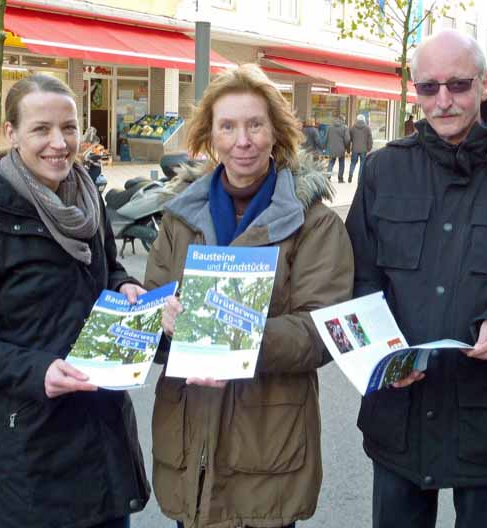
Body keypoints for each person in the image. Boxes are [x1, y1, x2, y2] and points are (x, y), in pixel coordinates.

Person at [345, 30, 487, 528]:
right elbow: (361, 278)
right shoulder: (384, 169)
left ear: (484, 83)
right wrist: (378, 354)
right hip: (400, 411)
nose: (443, 100)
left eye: (458, 84)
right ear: (414, 89)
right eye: (428, 88)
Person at [0, 74, 149, 528]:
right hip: (29, 453)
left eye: (69, 128)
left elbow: (106, 268)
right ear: (11, 133)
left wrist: (125, 284)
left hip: (101, 437)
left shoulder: (89, 203)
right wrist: (36, 371)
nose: (59, 143)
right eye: (41, 129)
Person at [143, 63, 354, 528]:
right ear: (210, 135)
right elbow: (152, 307)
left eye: (255, 124)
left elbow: (323, 330)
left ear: (276, 132)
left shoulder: (313, 224)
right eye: (228, 126)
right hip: (189, 443)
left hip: (267, 446)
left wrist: (229, 332)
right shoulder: (179, 219)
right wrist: (162, 320)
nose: (243, 140)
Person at [348, 113, 373, 183]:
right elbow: (370, 139)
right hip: (363, 149)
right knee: (362, 164)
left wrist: (349, 147)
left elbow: (349, 138)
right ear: (364, 120)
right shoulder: (367, 128)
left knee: (353, 162)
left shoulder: (353, 127)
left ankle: (350, 175)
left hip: (355, 149)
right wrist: (369, 148)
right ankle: (359, 179)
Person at [325, 115, 350, 182]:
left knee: (331, 163)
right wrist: (347, 149)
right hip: (341, 148)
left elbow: (326, 138)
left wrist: (324, 147)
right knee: (341, 163)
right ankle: (340, 178)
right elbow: (347, 140)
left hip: (331, 148)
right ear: (342, 120)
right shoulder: (345, 128)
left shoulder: (330, 127)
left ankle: (328, 177)